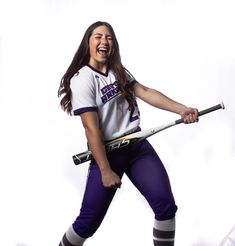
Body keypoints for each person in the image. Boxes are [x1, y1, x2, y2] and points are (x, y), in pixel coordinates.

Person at [58, 21, 198, 246]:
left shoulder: (118, 71)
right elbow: (91, 129)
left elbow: (144, 92)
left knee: (165, 206)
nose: (104, 41)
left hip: (137, 146)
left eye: (109, 37)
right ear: (88, 42)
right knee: (87, 223)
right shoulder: (82, 79)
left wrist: (181, 109)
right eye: (98, 36)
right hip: (108, 154)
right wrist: (105, 170)